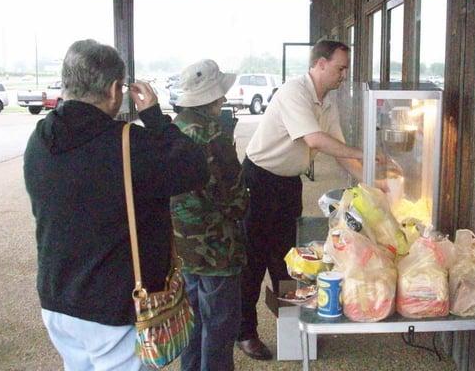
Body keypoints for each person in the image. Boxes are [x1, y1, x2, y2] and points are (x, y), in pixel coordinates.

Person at [23, 39, 209, 371]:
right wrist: (154, 117)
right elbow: (195, 167)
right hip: (113, 306)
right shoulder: (128, 145)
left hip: (57, 299)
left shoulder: (40, 138)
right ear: (113, 90)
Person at [237, 40, 368, 359]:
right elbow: (314, 140)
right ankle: (244, 332)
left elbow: (337, 148)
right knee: (252, 260)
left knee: (288, 260)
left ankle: (292, 327)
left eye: (346, 69)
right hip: (259, 179)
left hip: (287, 184)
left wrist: (372, 179)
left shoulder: (328, 101)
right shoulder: (293, 92)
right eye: (340, 68)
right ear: (319, 64)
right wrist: (364, 153)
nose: (343, 75)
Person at [170, 59, 249, 371]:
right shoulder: (212, 133)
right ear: (212, 98)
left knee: (192, 319)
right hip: (218, 247)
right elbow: (233, 194)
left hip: (182, 244)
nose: (224, 100)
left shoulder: (175, 128)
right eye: (221, 96)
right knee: (219, 325)